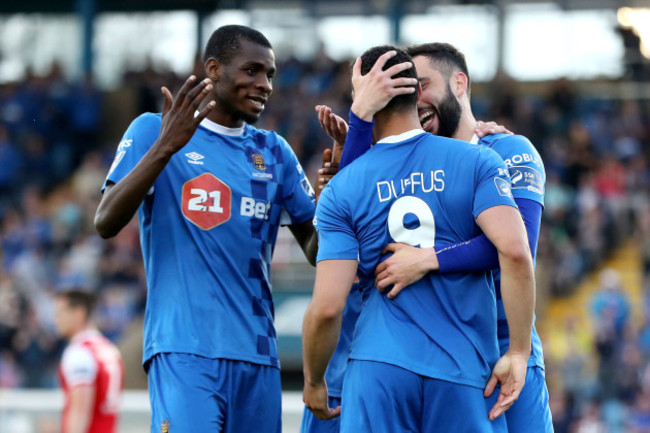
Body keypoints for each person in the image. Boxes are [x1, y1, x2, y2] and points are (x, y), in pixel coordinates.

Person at [314, 42, 553, 433]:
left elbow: (518, 245)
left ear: (459, 84)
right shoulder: (401, 158)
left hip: (506, 339)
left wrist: (427, 258)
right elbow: (359, 234)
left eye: (422, 84)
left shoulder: (506, 148)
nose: (415, 96)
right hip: (438, 352)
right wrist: (358, 129)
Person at [94, 25, 318, 432]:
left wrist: (339, 198)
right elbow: (106, 221)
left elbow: (319, 252)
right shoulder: (153, 128)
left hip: (259, 355)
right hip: (185, 350)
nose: (264, 84)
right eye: (252, 71)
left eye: (269, 74)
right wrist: (166, 147)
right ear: (213, 69)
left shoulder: (274, 152)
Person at [54, 289, 124, 433]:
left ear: (79, 313)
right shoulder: (109, 349)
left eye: (60, 312)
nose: (56, 319)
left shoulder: (79, 352)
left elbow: (80, 412)